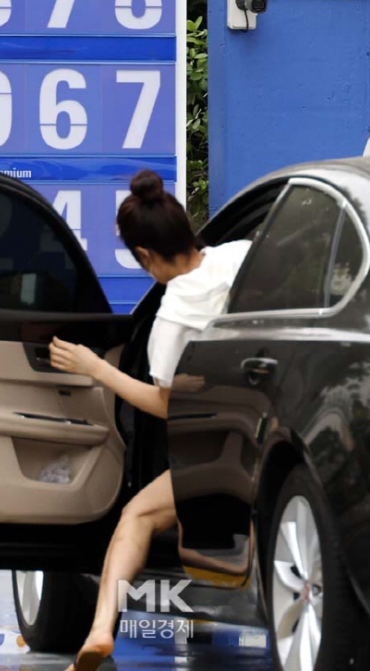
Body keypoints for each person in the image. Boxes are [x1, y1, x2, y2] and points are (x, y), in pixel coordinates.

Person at [48, 170, 251, 671]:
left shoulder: (174, 315)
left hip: (217, 452)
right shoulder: (243, 256)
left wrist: (97, 369)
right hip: (273, 426)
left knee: (136, 516)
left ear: (144, 255)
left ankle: (99, 631)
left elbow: (166, 405)